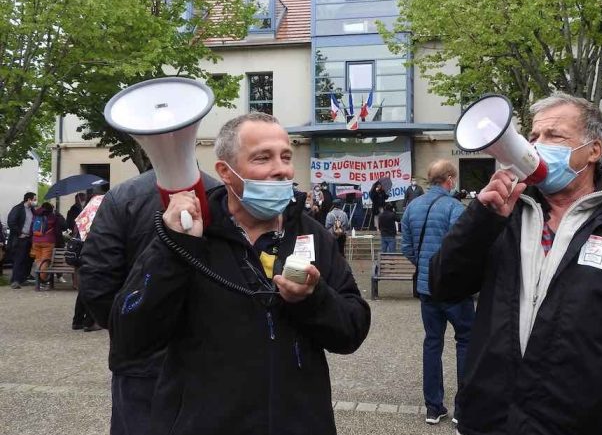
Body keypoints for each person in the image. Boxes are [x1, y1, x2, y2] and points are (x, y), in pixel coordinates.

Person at [431, 93, 602, 435]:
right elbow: (444, 285)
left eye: (554, 135)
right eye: (533, 137)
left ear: (594, 150)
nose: (538, 145)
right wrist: (481, 220)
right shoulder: (504, 214)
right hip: (492, 420)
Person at [109, 112, 371, 434]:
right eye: (263, 158)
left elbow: (352, 330)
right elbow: (130, 338)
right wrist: (173, 249)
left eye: (286, 156)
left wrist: (312, 299)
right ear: (226, 172)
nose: (281, 169)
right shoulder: (186, 236)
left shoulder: (312, 233)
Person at [78, 169, 219, 432]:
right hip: (206, 357)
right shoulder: (220, 192)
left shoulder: (121, 196)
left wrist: (128, 325)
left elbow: (97, 280)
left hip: (140, 361)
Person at [401, 159, 475, 425]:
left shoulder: (411, 207)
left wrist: (424, 268)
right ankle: (463, 409)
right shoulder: (455, 208)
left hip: (426, 288)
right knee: (466, 341)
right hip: (454, 289)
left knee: (433, 343)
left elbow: (407, 247)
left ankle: (434, 408)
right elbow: (464, 248)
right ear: (450, 180)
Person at [30, 202, 65, 289]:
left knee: (38, 260)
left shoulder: (35, 215)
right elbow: (58, 231)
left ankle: (38, 281)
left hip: (36, 241)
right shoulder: (53, 217)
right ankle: (42, 282)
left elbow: (32, 229)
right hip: (48, 242)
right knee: (45, 261)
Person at [7, 192, 37, 289]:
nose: (35, 201)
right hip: (20, 238)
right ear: (28, 199)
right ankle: (15, 280)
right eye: (34, 199)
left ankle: (23, 279)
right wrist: (19, 233)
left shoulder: (32, 210)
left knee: (28, 260)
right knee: (19, 259)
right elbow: (11, 222)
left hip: (29, 238)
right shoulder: (18, 209)